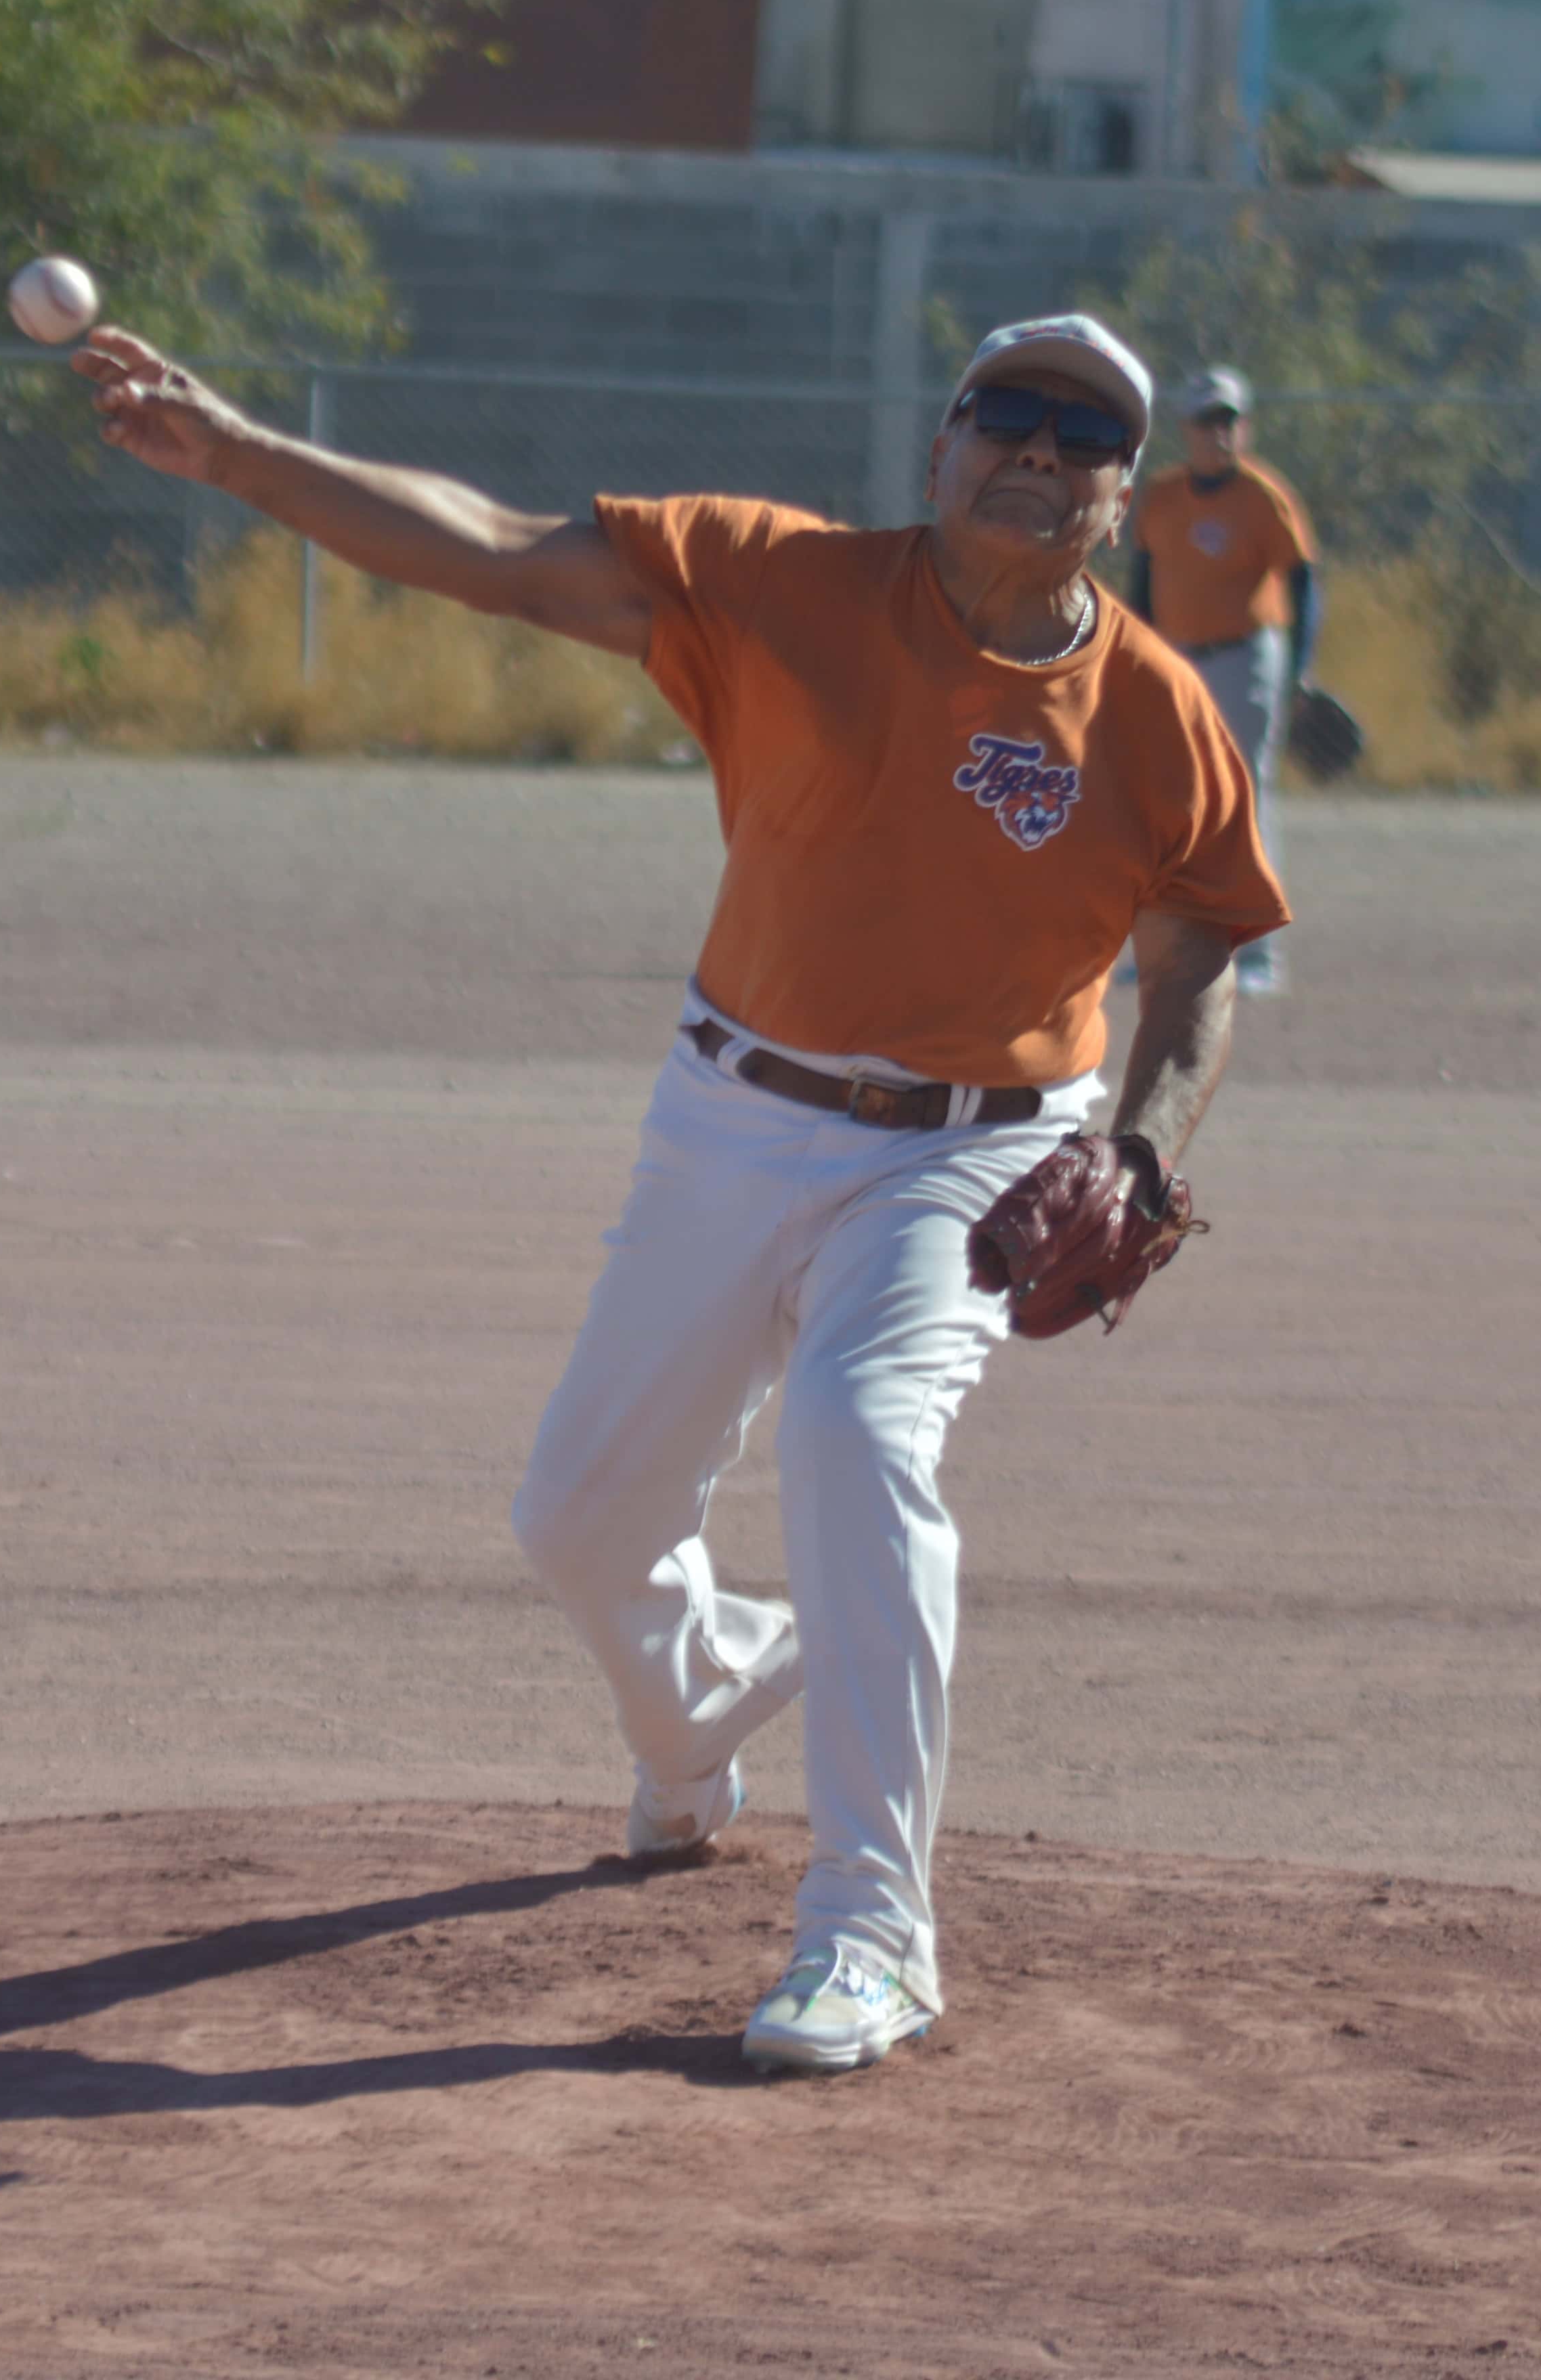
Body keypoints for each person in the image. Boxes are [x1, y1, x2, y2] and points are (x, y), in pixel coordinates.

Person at [72, 311, 1286, 2075]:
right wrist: (241, 454)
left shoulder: (1158, 713)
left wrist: (1152, 1143)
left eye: (1084, 432)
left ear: (1122, 491)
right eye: (1006, 412)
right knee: (574, 1516)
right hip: (732, 1117)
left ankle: (874, 1932)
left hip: (982, 1145)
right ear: (940, 445)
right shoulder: (774, 582)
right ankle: (710, 1697)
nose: (1040, 447)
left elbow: (1205, 957)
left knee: (861, 1445)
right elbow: (492, 550)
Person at [1127, 366, 1316, 995]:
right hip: (1178, 657)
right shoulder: (1162, 495)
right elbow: (1144, 583)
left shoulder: (1263, 496)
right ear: (1185, 429)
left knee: (1245, 796)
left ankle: (1259, 956)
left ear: (1245, 427)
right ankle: (1168, 949)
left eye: (1230, 420)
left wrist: (1301, 667)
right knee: (1171, 804)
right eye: (1208, 420)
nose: (1220, 432)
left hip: (1245, 656)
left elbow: (1303, 584)